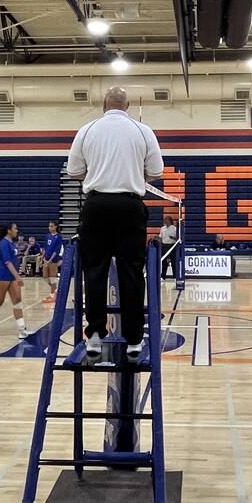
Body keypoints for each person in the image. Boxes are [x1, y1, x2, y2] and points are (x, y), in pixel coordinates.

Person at [66, 86, 163, 363]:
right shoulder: (143, 131)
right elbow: (156, 173)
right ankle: (134, 340)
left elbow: (74, 172)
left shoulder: (87, 129)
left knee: (94, 272)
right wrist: (132, 171)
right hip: (130, 206)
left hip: (96, 206)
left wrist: (97, 171)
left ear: (103, 105)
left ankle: (95, 335)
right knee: (131, 273)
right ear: (128, 105)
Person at [0, 222, 28, 340]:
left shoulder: (11, 243)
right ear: (9, 230)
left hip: (11, 276)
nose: (17, 230)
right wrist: (17, 276)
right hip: (2, 275)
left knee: (17, 300)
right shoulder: (3, 243)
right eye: (15, 228)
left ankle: (22, 329)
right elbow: (7, 262)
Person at [42, 221, 64, 303]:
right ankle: (56, 291)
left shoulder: (58, 237)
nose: (50, 228)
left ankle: (52, 295)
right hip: (46, 259)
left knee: (52, 278)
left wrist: (50, 260)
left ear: (55, 227)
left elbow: (56, 250)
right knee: (45, 277)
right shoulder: (47, 236)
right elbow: (45, 247)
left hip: (53, 260)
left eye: (51, 226)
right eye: (49, 226)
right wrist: (43, 258)